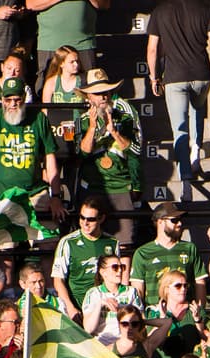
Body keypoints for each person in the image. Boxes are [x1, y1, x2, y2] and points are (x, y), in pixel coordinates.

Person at [145, 0, 210, 183]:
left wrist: (154, 77)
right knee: (197, 111)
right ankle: (196, 155)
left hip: (174, 77)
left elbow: (152, 49)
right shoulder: (207, 8)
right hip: (202, 74)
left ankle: (185, 178)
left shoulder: (159, 11)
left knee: (179, 129)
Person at [0, 76, 64, 220]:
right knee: (4, 242)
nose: (12, 104)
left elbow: (50, 158)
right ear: (1, 99)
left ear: (25, 97)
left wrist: (56, 196)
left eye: (17, 99)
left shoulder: (39, 119)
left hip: (35, 193)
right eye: (8, 100)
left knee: (49, 240)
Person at [76, 69, 142, 244]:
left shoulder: (126, 116)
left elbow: (135, 151)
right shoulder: (81, 120)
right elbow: (82, 153)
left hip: (120, 186)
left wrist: (113, 131)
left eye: (106, 92)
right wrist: (91, 128)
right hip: (92, 187)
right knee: (90, 239)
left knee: (124, 241)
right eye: (98, 94)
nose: (103, 97)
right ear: (88, 97)